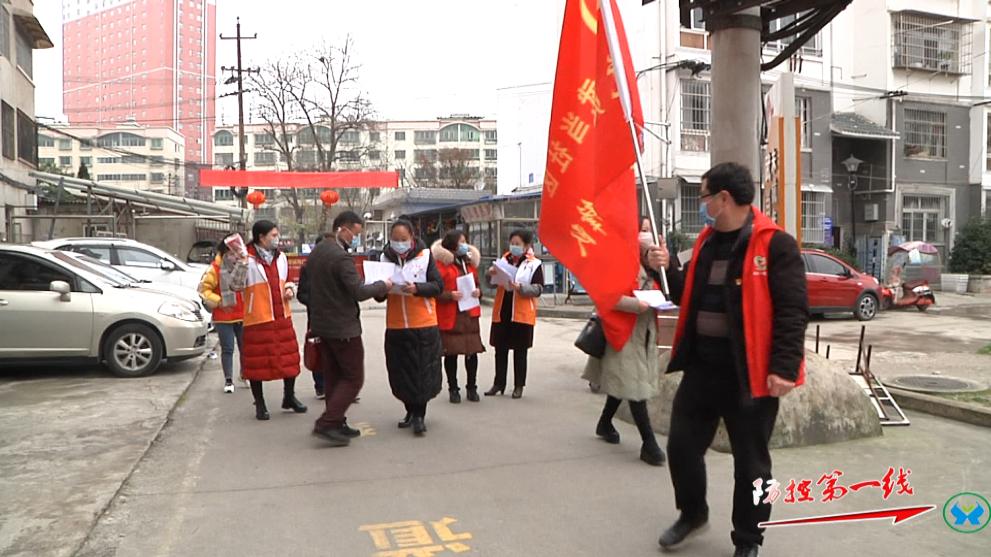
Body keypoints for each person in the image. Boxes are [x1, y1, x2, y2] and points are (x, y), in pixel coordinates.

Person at [655, 163, 808, 557]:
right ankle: (692, 513)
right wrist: (660, 265)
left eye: (705, 196)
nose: (702, 203)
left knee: (752, 465)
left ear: (723, 199)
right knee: (683, 448)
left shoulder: (776, 245)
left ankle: (749, 540)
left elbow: (793, 311)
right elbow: (681, 289)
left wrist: (784, 368)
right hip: (703, 370)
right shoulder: (706, 243)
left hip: (751, 375)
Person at [581, 231, 667, 467]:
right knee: (635, 387)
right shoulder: (620, 265)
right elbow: (605, 296)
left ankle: (605, 422)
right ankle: (649, 443)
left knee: (626, 381)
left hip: (644, 334)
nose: (652, 254)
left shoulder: (655, 272)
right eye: (648, 250)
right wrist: (634, 305)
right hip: (622, 331)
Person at [307, 212, 392, 447]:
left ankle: (337, 422)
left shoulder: (318, 251)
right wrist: (382, 285)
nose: (356, 237)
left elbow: (305, 287)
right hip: (343, 327)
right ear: (343, 229)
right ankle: (327, 422)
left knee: (334, 376)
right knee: (354, 378)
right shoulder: (340, 257)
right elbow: (358, 292)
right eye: (355, 233)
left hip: (322, 324)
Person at [375, 218, 444, 436]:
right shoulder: (384, 259)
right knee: (401, 371)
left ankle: (420, 416)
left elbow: (438, 286)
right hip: (396, 325)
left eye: (403, 239)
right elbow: (378, 296)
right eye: (395, 239)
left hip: (423, 323)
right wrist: (382, 288)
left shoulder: (425, 257)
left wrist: (417, 288)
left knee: (422, 371)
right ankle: (409, 410)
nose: (399, 243)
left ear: (412, 239)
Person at [240, 220, 308, 421]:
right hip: (258, 318)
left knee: (290, 359)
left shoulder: (281, 258)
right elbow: (235, 285)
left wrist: (290, 288)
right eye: (273, 235)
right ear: (261, 237)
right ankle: (260, 404)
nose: (277, 239)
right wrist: (238, 266)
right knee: (256, 364)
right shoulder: (246, 259)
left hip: (282, 316)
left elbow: (287, 279)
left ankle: (289, 397)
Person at [485, 229, 543, 399]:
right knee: (500, 350)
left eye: (518, 244)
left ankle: (519, 386)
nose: (514, 247)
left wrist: (521, 288)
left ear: (526, 246)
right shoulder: (503, 260)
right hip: (503, 311)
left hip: (522, 313)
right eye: (512, 243)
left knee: (520, 351)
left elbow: (538, 289)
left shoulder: (534, 264)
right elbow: (491, 284)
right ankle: (498, 383)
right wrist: (491, 275)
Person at [432, 229, 485, 404]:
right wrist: (449, 295)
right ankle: (453, 388)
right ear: (453, 244)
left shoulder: (468, 263)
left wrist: (478, 292)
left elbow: (477, 284)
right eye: (461, 241)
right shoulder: (441, 266)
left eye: (465, 241)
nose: (465, 245)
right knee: (451, 354)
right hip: (451, 315)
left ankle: (472, 387)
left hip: (469, 314)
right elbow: (435, 290)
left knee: (472, 352)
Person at [198, 239, 246, 393]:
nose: (234, 256)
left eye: (236, 253)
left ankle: (245, 374)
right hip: (223, 315)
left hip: (243, 314)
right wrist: (219, 302)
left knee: (245, 348)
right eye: (231, 253)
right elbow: (204, 289)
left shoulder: (243, 266)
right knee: (228, 349)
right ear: (224, 253)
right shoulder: (215, 269)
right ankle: (228, 380)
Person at [297, 233, 332, 399]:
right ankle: (321, 386)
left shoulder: (339, 265)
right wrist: (314, 303)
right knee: (318, 350)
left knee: (339, 353)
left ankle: (340, 387)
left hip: (338, 318)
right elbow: (301, 294)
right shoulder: (307, 268)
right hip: (317, 317)